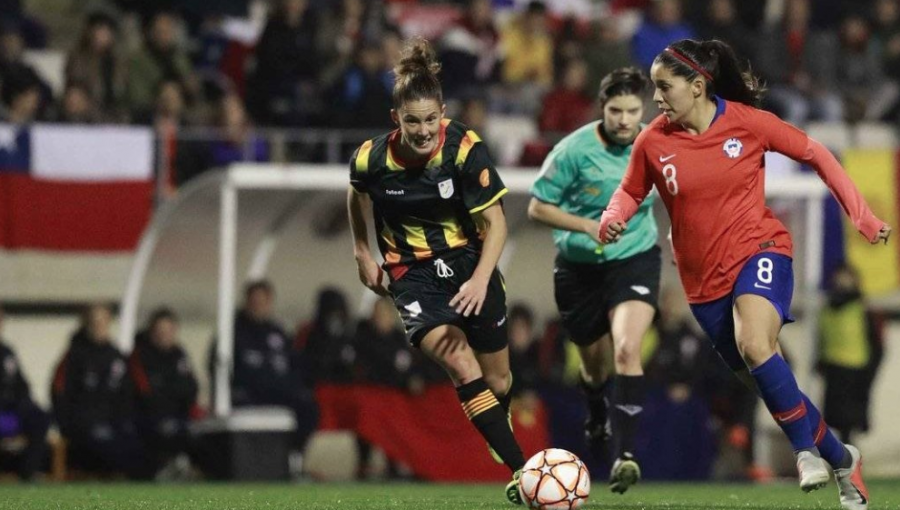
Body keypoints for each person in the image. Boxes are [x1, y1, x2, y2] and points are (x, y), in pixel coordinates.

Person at [598, 38, 891, 510]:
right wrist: (614, 215)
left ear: (697, 86)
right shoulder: (654, 140)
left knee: (756, 343)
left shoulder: (746, 123)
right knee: (769, 384)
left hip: (761, 250)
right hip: (702, 286)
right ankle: (840, 457)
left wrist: (862, 216)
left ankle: (804, 454)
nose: (656, 98)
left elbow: (817, 154)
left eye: (663, 87)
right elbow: (630, 191)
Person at [347, 37, 526, 505]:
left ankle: (495, 423)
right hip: (411, 275)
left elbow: (497, 222)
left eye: (430, 119)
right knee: (460, 362)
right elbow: (356, 194)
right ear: (396, 120)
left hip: (472, 263)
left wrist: (482, 277)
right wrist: (362, 251)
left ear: (442, 112)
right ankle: (526, 472)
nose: (424, 131)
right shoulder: (371, 158)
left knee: (500, 381)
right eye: (412, 121)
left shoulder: (465, 148)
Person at [528, 67, 658, 494]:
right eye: (616, 110)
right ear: (602, 108)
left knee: (625, 347)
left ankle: (625, 454)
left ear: (644, 109)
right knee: (593, 364)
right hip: (579, 266)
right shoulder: (573, 151)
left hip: (634, 258)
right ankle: (597, 412)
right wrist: (586, 226)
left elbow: (682, 190)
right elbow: (537, 207)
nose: (624, 120)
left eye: (632, 110)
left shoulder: (656, 143)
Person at [130, 307, 199, 479]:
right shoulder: (139, 356)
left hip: (179, 416)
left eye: (168, 331)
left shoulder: (179, 355)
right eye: (160, 331)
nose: (164, 335)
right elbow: (145, 394)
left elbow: (191, 387)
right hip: (147, 419)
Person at [0, 306, 50, 481]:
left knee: (40, 417)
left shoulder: (7, 353)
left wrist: (24, 404)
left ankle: (28, 473)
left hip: (10, 415)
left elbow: (22, 385)